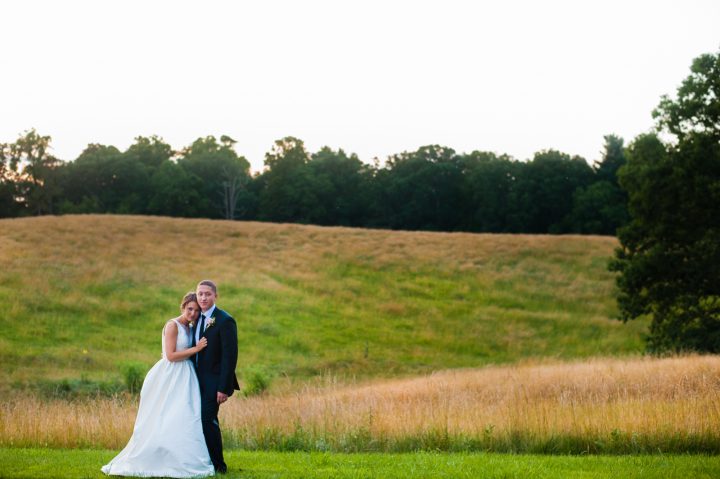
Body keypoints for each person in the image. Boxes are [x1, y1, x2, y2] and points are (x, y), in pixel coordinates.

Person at [101, 292, 215, 478]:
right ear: (183, 307)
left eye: (195, 310)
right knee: (163, 416)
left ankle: (181, 458)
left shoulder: (190, 326)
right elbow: (170, 355)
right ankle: (155, 457)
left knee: (184, 417)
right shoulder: (172, 325)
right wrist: (196, 349)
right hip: (170, 376)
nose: (193, 313)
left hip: (186, 377)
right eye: (189, 309)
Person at [192, 280, 240, 475]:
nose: (203, 298)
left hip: (214, 383)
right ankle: (206, 461)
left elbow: (230, 356)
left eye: (207, 294)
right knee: (203, 420)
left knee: (207, 419)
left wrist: (223, 387)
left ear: (215, 296)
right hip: (195, 382)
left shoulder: (224, 320)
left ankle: (219, 466)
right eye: (200, 294)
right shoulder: (196, 318)